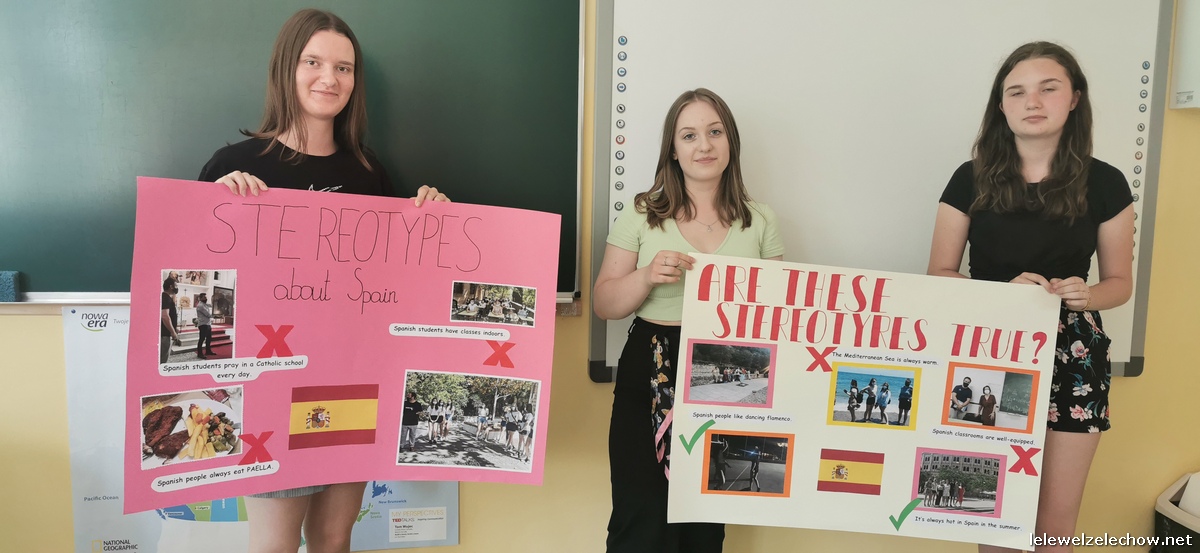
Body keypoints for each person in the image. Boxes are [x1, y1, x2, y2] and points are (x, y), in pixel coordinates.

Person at [197, 11, 451, 553]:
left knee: (334, 540)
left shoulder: (367, 171)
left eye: (344, 67)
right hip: (271, 386)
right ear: (286, 69)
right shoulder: (235, 165)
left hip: (350, 381)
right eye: (313, 62)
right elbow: (194, 275)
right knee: (274, 544)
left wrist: (434, 222)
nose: (329, 79)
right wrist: (213, 206)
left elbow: (396, 282)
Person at [927, 41, 1134, 553]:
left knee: (1055, 525)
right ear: (1001, 105)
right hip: (988, 350)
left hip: (1073, 355)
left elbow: (1119, 283)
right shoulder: (970, 177)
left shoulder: (1106, 183)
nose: (1032, 101)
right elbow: (939, 274)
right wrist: (998, 293)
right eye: (1017, 91)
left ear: (1074, 98)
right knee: (994, 516)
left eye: (1048, 88)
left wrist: (1087, 295)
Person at [593, 88, 784, 553]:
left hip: (722, 369)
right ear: (673, 150)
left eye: (715, 132)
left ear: (730, 142)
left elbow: (779, 313)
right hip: (651, 366)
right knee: (640, 521)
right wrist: (645, 276)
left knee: (703, 526)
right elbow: (604, 303)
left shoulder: (760, 220)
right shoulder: (642, 213)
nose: (704, 145)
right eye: (690, 135)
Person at [160, 278, 183, 363]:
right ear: (171, 286)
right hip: (165, 334)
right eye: (176, 285)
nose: (177, 287)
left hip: (166, 333)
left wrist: (174, 327)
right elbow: (165, 316)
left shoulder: (166, 297)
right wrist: (173, 332)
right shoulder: (165, 298)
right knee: (162, 360)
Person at [195, 292, 214, 359]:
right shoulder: (200, 306)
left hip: (207, 324)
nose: (206, 298)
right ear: (200, 298)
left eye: (206, 297)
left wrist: (214, 300)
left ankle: (208, 351)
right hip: (203, 325)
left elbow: (212, 305)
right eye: (204, 297)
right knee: (202, 339)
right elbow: (208, 315)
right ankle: (200, 354)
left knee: (209, 338)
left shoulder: (204, 304)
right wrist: (217, 315)